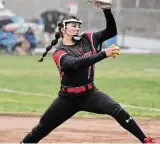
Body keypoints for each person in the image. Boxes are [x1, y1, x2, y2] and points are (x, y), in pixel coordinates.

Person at [21, 6, 155, 144]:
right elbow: (75, 64)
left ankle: (145, 140)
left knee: (117, 110)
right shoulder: (59, 52)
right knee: (43, 127)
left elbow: (111, 31)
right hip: (67, 99)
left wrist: (107, 11)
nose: (78, 28)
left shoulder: (88, 39)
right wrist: (103, 54)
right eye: (73, 26)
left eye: (79, 26)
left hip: (90, 94)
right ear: (63, 30)